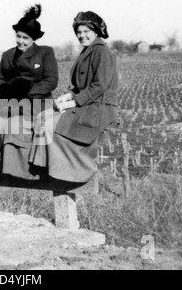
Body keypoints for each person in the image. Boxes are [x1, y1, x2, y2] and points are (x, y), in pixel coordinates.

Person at [30, 11, 119, 183]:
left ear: (96, 31)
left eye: (86, 31)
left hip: (98, 107)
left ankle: (63, 174)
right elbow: (81, 86)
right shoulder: (88, 51)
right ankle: (42, 166)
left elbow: (99, 86)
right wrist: (68, 95)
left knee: (49, 126)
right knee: (41, 118)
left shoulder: (102, 52)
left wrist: (73, 102)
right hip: (87, 103)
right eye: (79, 32)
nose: (82, 35)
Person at [0, 4, 59, 180]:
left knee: (15, 126)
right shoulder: (7, 55)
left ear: (33, 39)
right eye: (18, 36)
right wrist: (6, 90)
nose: (21, 41)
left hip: (36, 104)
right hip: (10, 103)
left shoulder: (45, 52)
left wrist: (28, 91)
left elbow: (51, 81)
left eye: (26, 38)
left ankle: (22, 173)